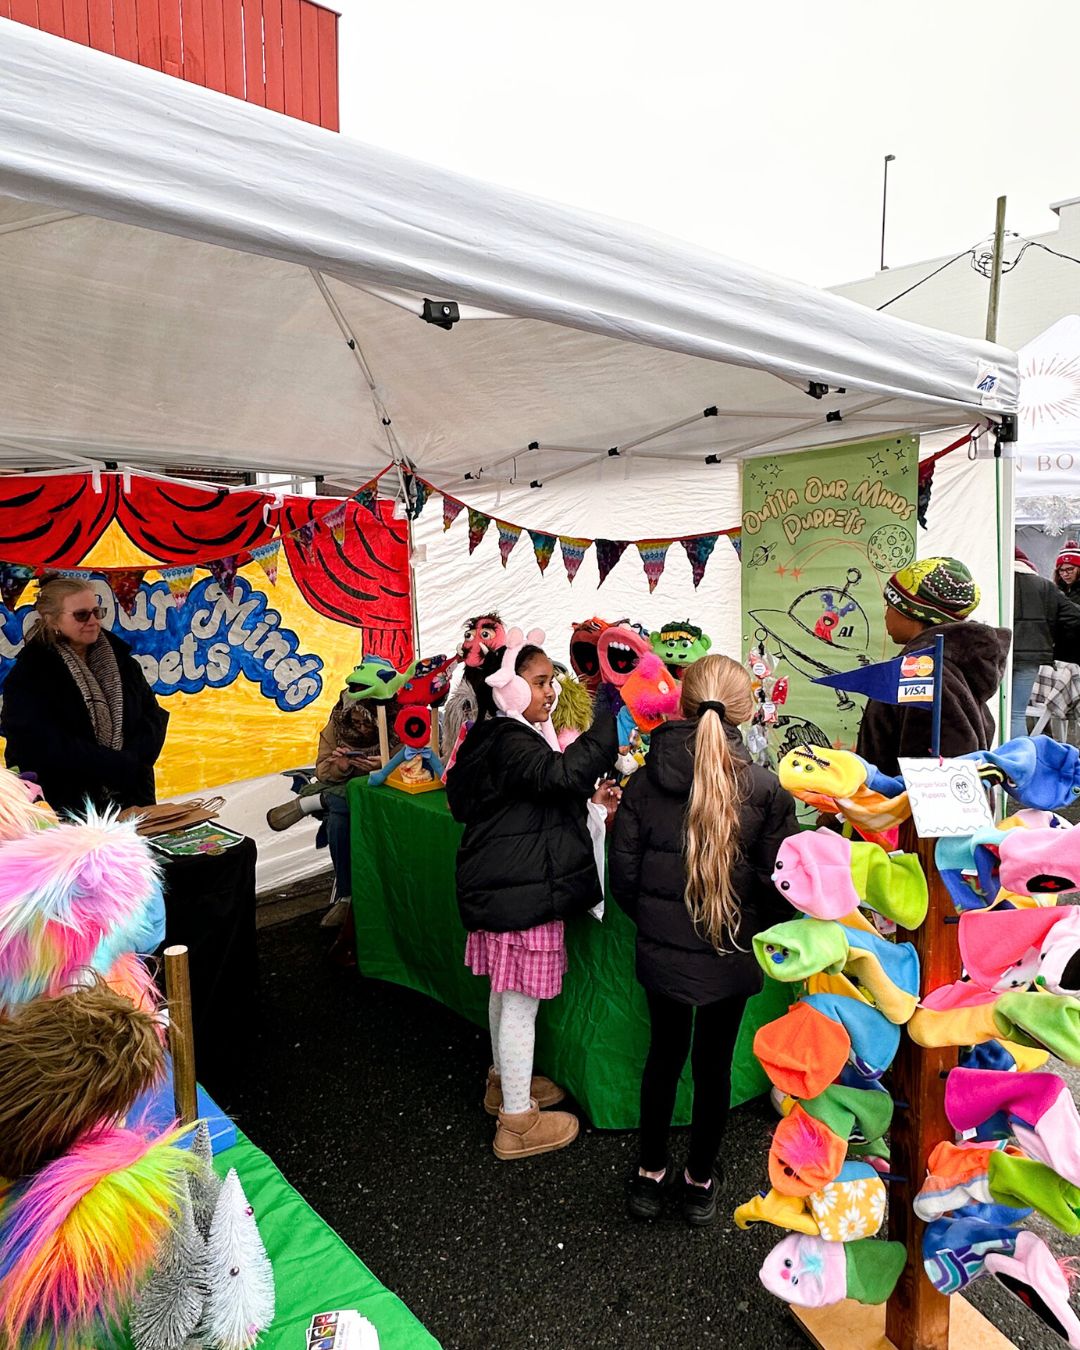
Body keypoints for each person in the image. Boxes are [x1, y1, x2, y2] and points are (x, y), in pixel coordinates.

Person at [609, 653, 798, 1226]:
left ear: (683, 703)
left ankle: (649, 1172)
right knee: (713, 1065)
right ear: (746, 711)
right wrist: (747, 930)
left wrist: (656, 924)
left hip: (663, 951)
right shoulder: (768, 789)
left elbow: (624, 877)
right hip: (731, 955)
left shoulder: (644, 781)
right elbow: (780, 885)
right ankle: (700, 1179)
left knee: (662, 1057)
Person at [445, 638, 618, 1161]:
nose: (551, 691)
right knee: (521, 1002)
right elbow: (560, 773)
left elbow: (540, 794)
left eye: (550, 680)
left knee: (506, 993)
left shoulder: (499, 736)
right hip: (521, 892)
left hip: (506, 886)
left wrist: (587, 802)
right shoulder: (511, 739)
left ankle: (504, 1084)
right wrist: (609, 714)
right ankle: (518, 1122)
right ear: (510, 688)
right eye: (541, 682)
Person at [0, 576, 168, 817]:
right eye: (81, 615)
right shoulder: (29, 675)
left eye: (96, 612)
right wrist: (112, 763)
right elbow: (42, 743)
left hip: (132, 796)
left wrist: (132, 759)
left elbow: (152, 716)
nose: (93, 621)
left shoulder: (123, 661)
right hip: (67, 804)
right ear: (52, 620)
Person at [856, 558, 1011, 777]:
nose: (885, 614)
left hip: (909, 808)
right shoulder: (954, 666)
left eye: (890, 605)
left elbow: (934, 771)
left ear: (913, 613)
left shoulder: (924, 674)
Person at [266, 690, 399, 914]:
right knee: (339, 819)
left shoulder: (400, 724)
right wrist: (340, 766)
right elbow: (322, 771)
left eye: (369, 722)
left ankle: (314, 802)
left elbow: (416, 760)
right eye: (356, 722)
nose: (362, 728)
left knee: (345, 805)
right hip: (347, 794)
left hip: (388, 794)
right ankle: (346, 897)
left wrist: (385, 765)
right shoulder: (337, 727)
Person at [1012, 549, 1080, 738]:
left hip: (1001, 652)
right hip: (1033, 657)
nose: (1065, 574)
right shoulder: (1045, 586)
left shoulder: (997, 581)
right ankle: (1020, 762)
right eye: (1062, 570)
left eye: (1070, 569)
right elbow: (1074, 616)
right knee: (1016, 714)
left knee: (996, 709)